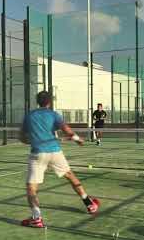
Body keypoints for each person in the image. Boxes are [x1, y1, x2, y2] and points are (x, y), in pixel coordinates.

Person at [19, 91, 100, 228]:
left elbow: (22, 138)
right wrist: (77, 139)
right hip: (55, 152)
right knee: (70, 176)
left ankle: (37, 218)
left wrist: (34, 141)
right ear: (50, 102)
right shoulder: (53, 114)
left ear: (37, 102)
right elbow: (67, 130)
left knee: (31, 187)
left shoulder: (29, 116)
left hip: (38, 154)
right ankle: (90, 204)